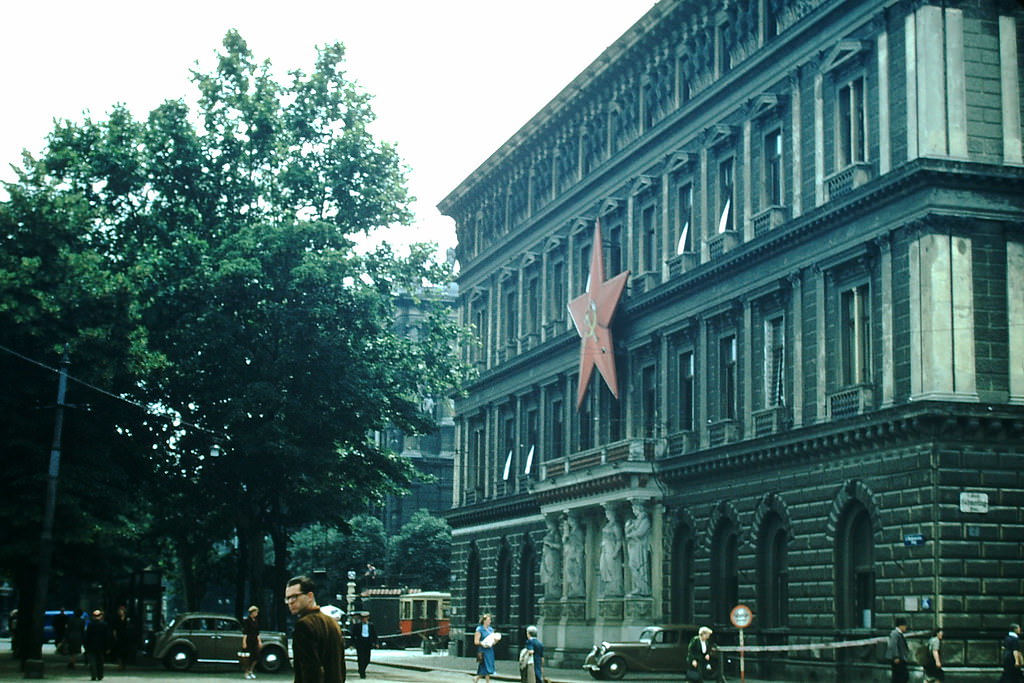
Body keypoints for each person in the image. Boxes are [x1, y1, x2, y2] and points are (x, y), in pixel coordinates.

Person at [285, 575, 346, 683]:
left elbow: (310, 670)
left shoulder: (304, 625)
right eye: (287, 598)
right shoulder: (333, 623)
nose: (290, 602)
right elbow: (341, 667)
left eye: (294, 597)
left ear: (309, 596)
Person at [84, 609, 111, 681]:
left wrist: (86, 645)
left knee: (92, 661)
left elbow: (87, 636)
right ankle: (100, 675)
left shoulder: (90, 625)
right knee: (100, 661)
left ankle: (93, 675)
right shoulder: (104, 624)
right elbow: (107, 636)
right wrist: (108, 647)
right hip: (101, 646)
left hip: (91, 645)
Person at [349, 611, 378, 679]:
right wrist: (351, 644)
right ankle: (362, 672)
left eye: (365, 618)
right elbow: (353, 635)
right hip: (360, 643)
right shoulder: (357, 625)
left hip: (368, 643)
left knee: (367, 659)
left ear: (367, 618)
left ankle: (362, 669)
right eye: (363, 618)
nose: (364, 619)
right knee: (361, 658)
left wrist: (376, 643)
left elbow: (374, 635)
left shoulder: (371, 625)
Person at [473, 613, 497, 683]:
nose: (490, 621)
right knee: (485, 665)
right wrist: (482, 644)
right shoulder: (479, 629)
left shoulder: (490, 629)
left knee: (488, 665)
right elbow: (476, 641)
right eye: (489, 620)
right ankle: (483, 680)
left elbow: (493, 640)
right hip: (483, 650)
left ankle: (477, 678)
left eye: (490, 620)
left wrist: (495, 641)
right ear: (484, 621)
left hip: (490, 650)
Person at [886, 617, 910, 683]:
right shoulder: (894, 634)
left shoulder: (899, 634)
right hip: (898, 659)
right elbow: (893, 645)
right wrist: (896, 656)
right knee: (899, 677)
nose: (906, 627)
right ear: (901, 626)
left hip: (902, 659)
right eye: (905, 626)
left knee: (902, 677)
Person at [241, 605, 262, 680]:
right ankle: (246, 672)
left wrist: (259, 641)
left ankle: (251, 671)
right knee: (248, 658)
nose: (256, 614)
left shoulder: (256, 621)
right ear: (252, 612)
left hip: (255, 640)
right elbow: (245, 632)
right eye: (255, 612)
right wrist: (244, 642)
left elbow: (257, 632)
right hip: (249, 640)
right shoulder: (247, 620)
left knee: (256, 656)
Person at [110, 604, 133, 669]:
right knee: (119, 651)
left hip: (126, 636)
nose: (120, 611)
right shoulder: (116, 618)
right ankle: (120, 664)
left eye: (122, 610)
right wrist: (114, 636)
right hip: (119, 635)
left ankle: (124, 664)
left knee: (125, 651)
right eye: (119, 610)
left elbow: (130, 627)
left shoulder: (128, 618)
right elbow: (114, 628)